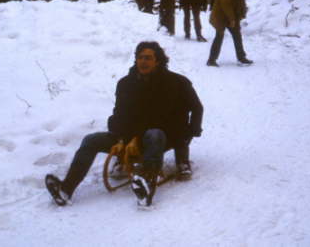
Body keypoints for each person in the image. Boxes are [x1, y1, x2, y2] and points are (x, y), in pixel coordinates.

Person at [45, 41, 203, 207]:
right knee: (91, 140)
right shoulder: (125, 84)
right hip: (131, 137)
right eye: (140, 57)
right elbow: (119, 114)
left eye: (148, 58)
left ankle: (146, 187)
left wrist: (190, 133)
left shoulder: (177, 82)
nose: (143, 61)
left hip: (164, 136)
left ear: (158, 61)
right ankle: (66, 189)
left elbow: (197, 108)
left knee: (155, 134)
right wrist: (121, 137)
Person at [207, 0, 254, 67]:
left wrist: (242, 13)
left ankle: (241, 57)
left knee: (237, 36)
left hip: (232, 16)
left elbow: (240, 3)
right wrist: (232, 19)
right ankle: (211, 60)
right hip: (220, 16)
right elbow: (226, 5)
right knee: (219, 36)